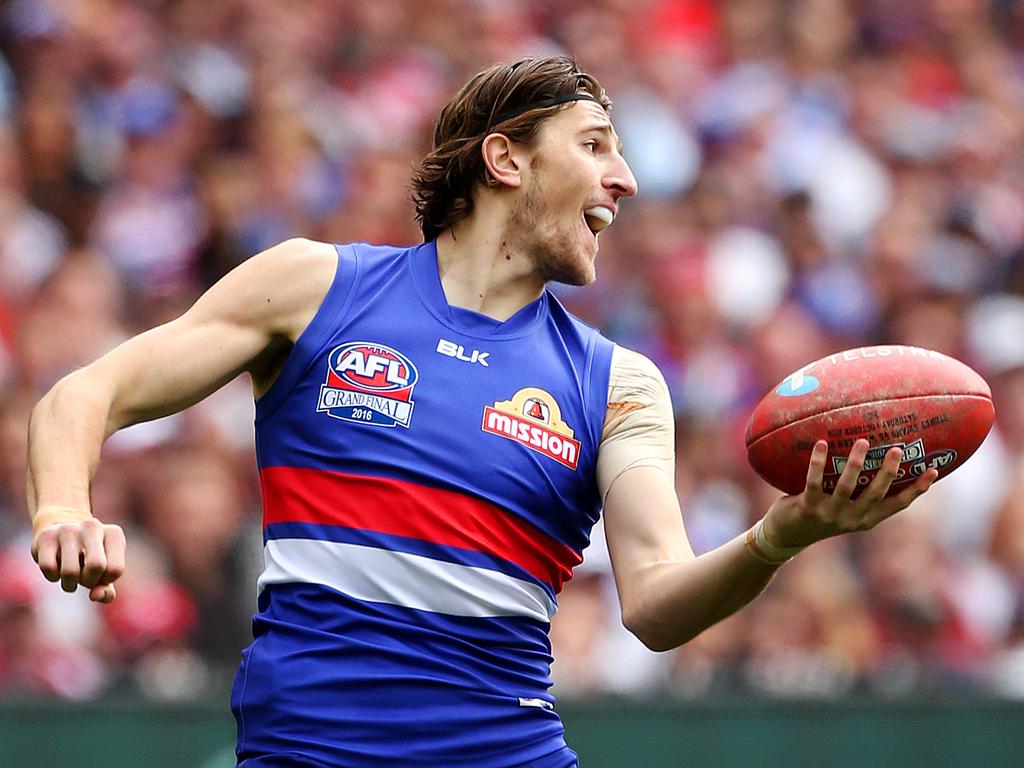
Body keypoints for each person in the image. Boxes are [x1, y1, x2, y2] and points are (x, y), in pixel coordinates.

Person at [26, 57, 937, 767]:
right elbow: (84, 393)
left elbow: (656, 604)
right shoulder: (314, 288)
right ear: (504, 157)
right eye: (593, 145)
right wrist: (65, 508)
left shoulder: (617, 382)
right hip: (310, 750)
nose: (622, 177)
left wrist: (781, 535)